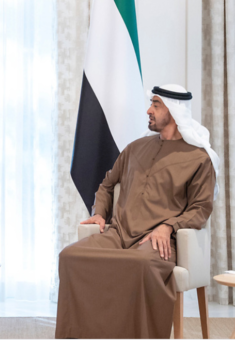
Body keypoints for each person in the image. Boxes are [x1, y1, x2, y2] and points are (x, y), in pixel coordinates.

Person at [55, 84, 218, 339]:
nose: (148, 110)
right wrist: (100, 213)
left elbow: (201, 208)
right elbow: (107, 184)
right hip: (119, 234)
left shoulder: (199, 158)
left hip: (158, 242)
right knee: (69, 256)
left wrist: (168, 226)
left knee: (141, 264)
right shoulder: (135, 148)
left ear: (173, 110)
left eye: (155, 105)